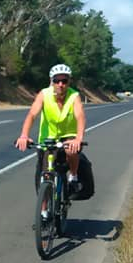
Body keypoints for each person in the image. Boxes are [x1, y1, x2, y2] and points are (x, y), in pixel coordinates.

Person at [15, 63, 86, 192]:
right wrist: (24, 135)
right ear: (51, 81)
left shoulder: (74, 96)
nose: (60, 84)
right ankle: (44, 210)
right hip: (48, 138)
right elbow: (32, 114)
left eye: (64, 80)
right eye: (56, 80)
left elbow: (80, 116)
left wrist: (78, 138)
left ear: (69, 81)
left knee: (71, 150)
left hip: (68, 135)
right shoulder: (44, 94)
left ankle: (74, 176)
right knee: (45, 176)